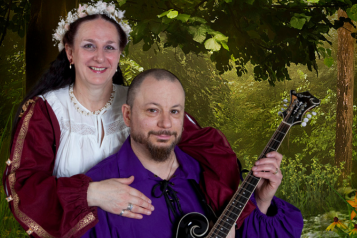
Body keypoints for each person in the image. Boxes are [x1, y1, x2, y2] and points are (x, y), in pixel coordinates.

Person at [3, 2, 256, 237]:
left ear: (119, 54)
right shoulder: (46, 111)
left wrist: (226, 216)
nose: (100, 57)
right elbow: (23, 188)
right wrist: (92, 192)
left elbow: (206, 147)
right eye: (89, 45)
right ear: (70, 52)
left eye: (109, 47)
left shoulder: (144, 102)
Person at [82, 69, 303, 238]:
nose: (165, 123)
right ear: (128, 115)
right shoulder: (97, 188)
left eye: (175, 111)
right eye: (152, 110)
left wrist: (262, 200)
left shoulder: (210, 173)